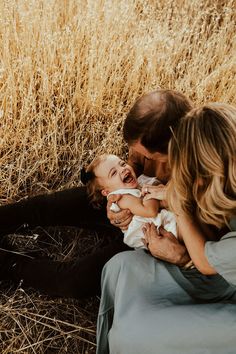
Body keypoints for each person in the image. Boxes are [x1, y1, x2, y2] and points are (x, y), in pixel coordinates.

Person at [0, 89, 192, 298]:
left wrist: (161, 205)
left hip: (149, 239)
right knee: (50, 205)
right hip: (128, 196)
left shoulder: (202, 169)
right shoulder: (148, 134)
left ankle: (9, 264)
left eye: (147, 154)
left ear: (171, 147)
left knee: (73, 282)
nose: (140, 157)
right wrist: (117, 200)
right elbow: (134, 163)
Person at [96, 103, 236, 354]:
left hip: (223, 282)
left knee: (129, 335)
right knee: (121, 267)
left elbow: (204, 261)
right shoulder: (219, 146)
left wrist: (178, 202)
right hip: (220, 267)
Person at [81, 153, 177, 249]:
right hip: (156, 231)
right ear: (106, 192)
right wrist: (150, 192)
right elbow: (150, 211)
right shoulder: (123, 197)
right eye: (113, 173)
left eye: (122, 164)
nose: (123, 169)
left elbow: (158, 186)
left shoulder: (137, 184)